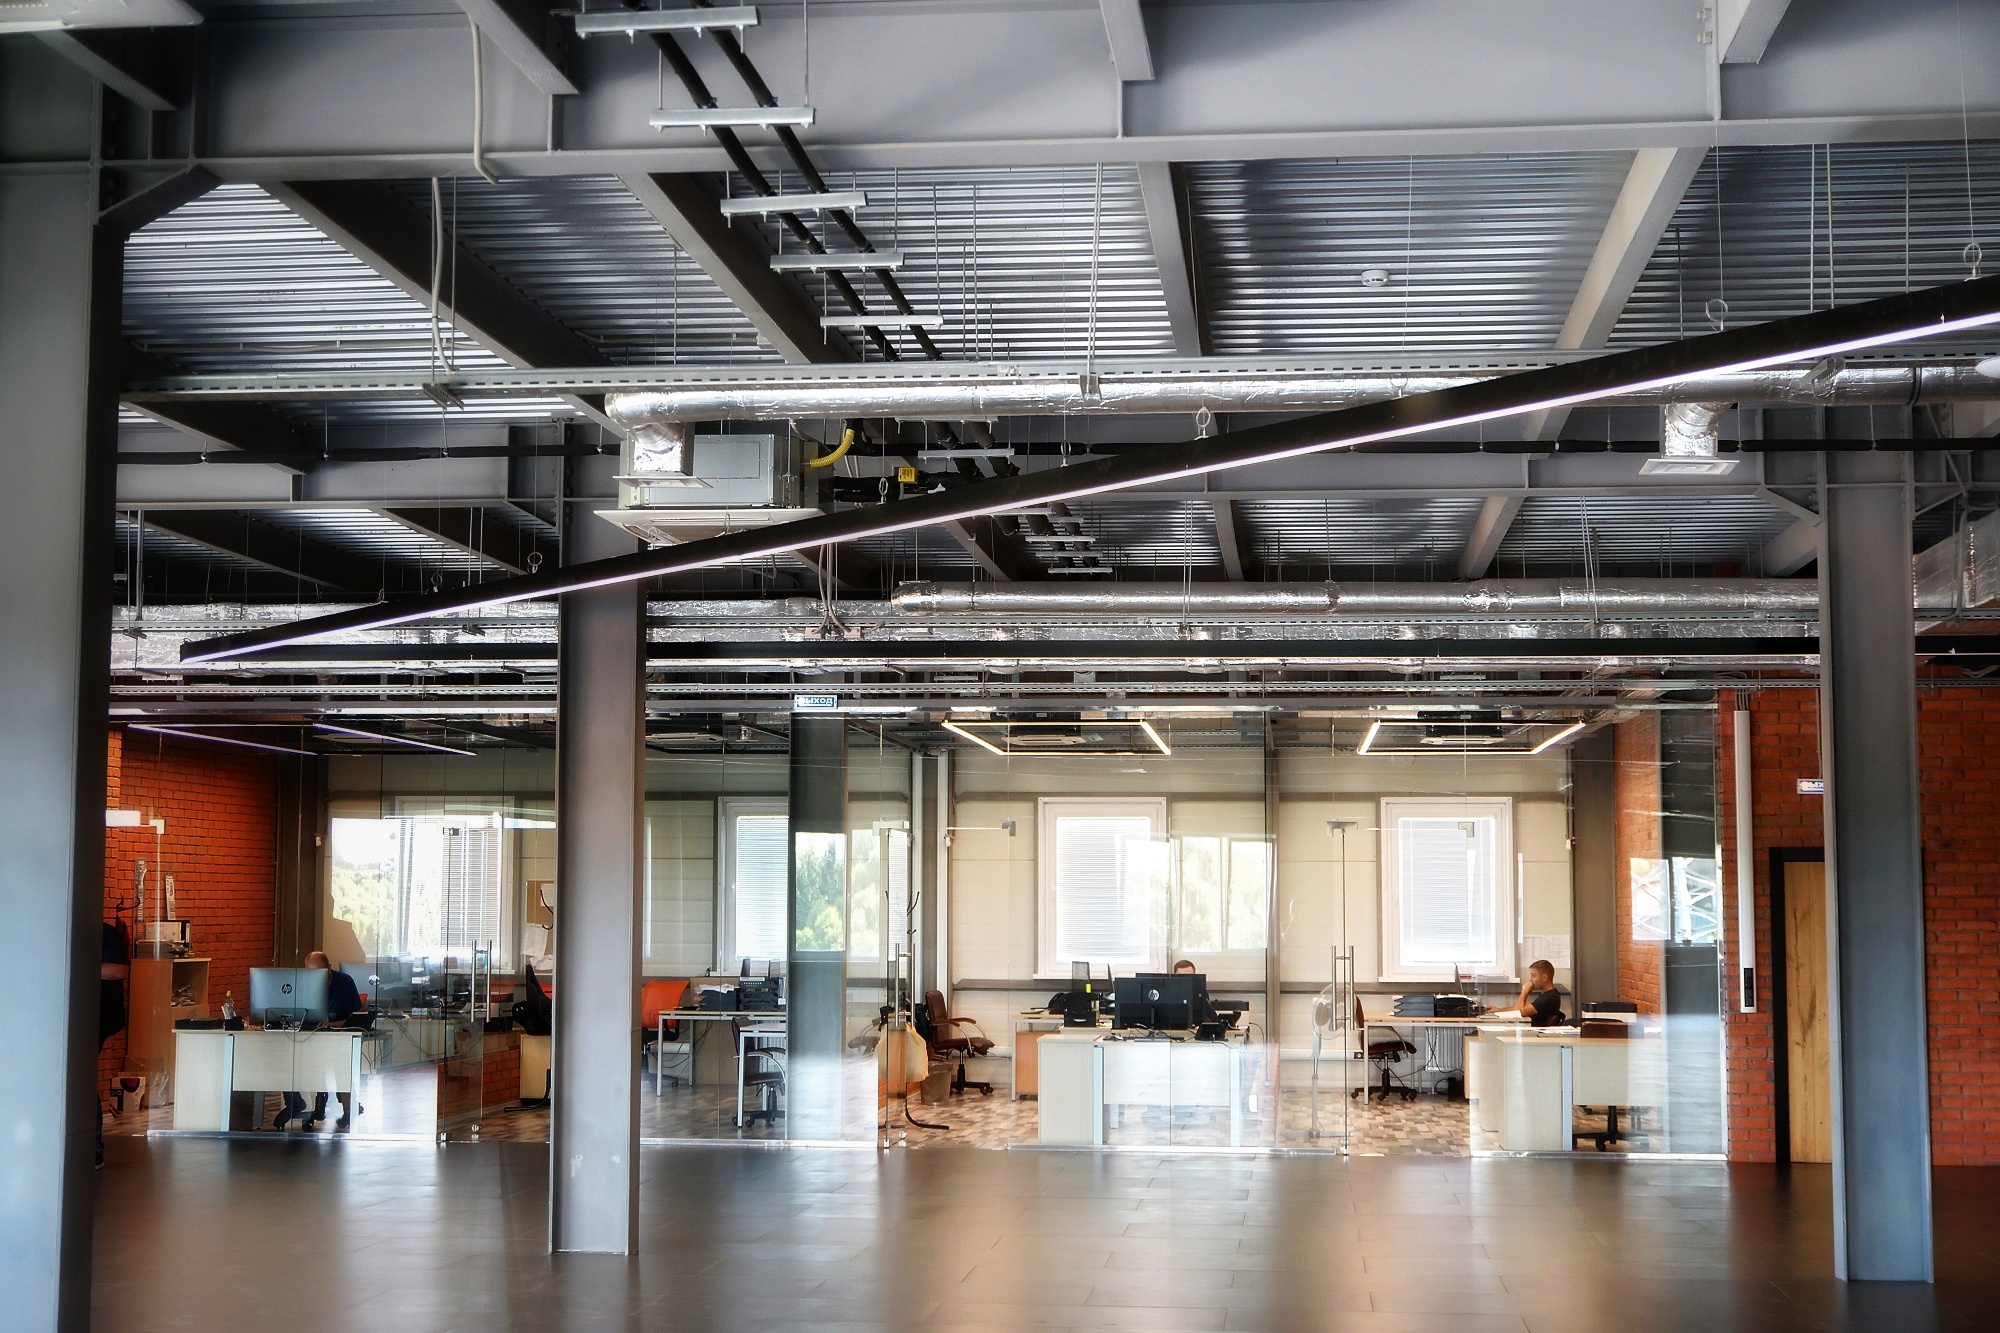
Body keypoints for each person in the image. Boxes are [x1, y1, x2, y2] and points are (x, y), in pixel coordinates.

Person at [273, 952, 364, 1132]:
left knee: (339, 1062)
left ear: (329, 968)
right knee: (285, 1056)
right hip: (307, 1034)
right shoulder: (301, 983)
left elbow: (357, 1017)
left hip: (336, 1036)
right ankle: (295, 1102)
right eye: (310, 973)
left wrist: (333, 1024)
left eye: (320, 972)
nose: (315, 978)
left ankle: (348, 1108)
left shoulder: (344, 982)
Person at [98, 920, 130, 1168]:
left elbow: (119, 971)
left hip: (96, 1016)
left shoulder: (105, 933)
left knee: (79, 1080)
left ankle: (94, 1148)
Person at [1496, 959, 1566, 1027]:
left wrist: (1524, 991)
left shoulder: (1550, 998)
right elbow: (1523, 1007)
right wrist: (1498, 1010)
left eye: (1533, 976)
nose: (1530, 979)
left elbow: (1517, 1013)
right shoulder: (1547, 995)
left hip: (1536, 1033)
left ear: (1544, 978)